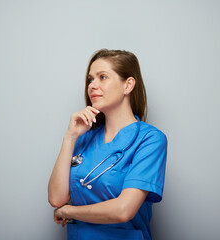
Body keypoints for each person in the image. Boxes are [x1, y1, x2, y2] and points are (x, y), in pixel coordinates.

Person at [48, 49, 168, 240]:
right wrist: (69, 137)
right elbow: (56, 199)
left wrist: (69, 212)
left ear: (128, 85)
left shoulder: (150, 140)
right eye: (90, 79)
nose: (92, 86)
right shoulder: (84, 137)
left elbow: (123, 210)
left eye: (102, 77)